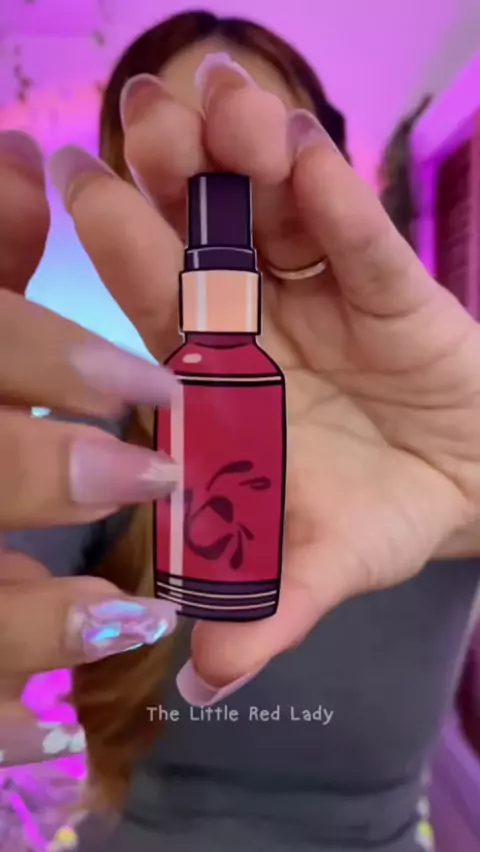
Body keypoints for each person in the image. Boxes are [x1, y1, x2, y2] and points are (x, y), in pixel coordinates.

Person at [3, 8, 480, 852]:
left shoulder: (442, 417)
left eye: (258, 159)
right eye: (178, 181)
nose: (221, 210)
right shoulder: (93, 437)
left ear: (341, 173)